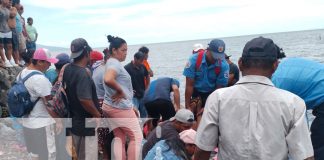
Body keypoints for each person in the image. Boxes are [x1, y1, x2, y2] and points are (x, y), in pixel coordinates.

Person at [194, 37, 314, 160]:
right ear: (275, 66)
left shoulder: (217, 98)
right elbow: (304, 156)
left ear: (240, 63)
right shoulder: (294, 103)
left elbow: (202, 150)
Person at [272, 57, 324, 159]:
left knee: (318, 144)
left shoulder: (277, 84)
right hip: (320, 92)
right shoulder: (284, 66)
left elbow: (298, 119)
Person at [102, 35, 143, 160]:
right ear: (114, 50)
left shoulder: (110, 62)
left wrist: (130, 105)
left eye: (126, 50)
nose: (126, 53)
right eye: (123, 50)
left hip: (110, 106)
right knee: (137, 137)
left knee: (119, 136)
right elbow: (108, 79)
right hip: (119, 108)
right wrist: (120, 91)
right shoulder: (115, 63)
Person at [63, 38, 101, 159]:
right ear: (86, 53)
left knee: (77, 155)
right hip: (85, 124)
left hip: (74, 121)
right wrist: (96, 114)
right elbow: (84, 99)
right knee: (87, 155)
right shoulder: (82, 73)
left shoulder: (68, 68)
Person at [19, 48, 59, 160]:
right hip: (41, 124)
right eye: (48, 62)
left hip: (27, 122)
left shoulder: (22, 73)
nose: (50, 65)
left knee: (34, 154)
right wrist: (59, 120)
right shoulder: (40, 79)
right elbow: (50, 103)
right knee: (47, 155)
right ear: (40, 61)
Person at [183, 39, 229, 129]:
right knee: (191, 115)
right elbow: (189, 85)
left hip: (212, 93)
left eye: (219, 56)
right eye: (214, 56)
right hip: (196, 91)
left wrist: (208, 106)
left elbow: (219, 90)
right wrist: (187, 106)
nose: (216, 59)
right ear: (207, 50)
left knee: (210, 117)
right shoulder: (193, 60)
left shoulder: (224, 65)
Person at [124, 51, 150, 118]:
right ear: (135, 58)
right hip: (133, 96)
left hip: (143, 94)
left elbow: (147, 76)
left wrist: (147, 87)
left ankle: (144, 127)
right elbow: (122, 81)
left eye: (142, 61)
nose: (141, 62)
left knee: (144, 114)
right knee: (134, 115)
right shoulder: (127, 68)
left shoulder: (143, 66)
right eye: (140, 61)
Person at [0, 0, 15, 67]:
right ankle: (5, 61)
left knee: (9, 46)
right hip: (1, 30)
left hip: (8, 30)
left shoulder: (8, 10)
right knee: (1, 46)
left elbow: (12, 17)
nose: (7, 1)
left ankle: (10, 60)